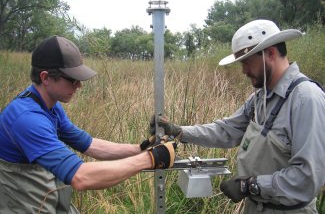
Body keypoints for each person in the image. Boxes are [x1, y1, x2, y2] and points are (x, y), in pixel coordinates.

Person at [151, 20, 325, 213]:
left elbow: (308, 178)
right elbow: (226, 131)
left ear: (270, 54)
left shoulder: (306, 99)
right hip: (255, 207)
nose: (244, 71)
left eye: (247, 62)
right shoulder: (260, 98)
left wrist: (249, 185)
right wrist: (179, 131)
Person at [0, 35, 176, 213]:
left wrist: (143, 148)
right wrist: (150, 159)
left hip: (43, 199)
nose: (79, 86)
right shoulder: (27, 119)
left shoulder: (49, 105)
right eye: (72, 79)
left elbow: (90, 145)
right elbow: (81, 177)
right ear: (45, 77)